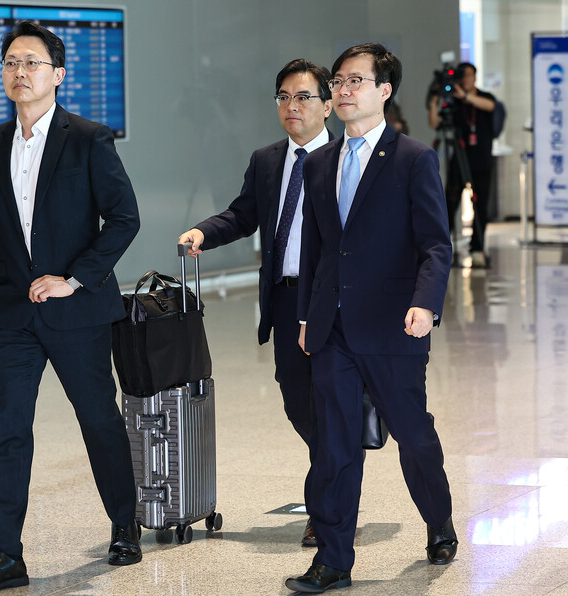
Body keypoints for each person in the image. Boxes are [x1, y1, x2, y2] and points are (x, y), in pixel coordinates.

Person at [0, 21, 142, 591]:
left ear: (58, 75)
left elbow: (124, 219)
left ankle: (125, 526)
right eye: (12, 62)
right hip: (13, 312)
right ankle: (6, 553)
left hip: (77, 310)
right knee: (10, 431)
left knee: (99, 421)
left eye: (32, 63)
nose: (21, 72)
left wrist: (74, 279)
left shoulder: (88, 138)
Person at [286, 43, 455, 593]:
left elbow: (435, 244)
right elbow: (316, 248)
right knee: (334, 445)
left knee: (413, 435)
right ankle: (334, 559)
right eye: (338, 81)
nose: (343, 90)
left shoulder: (412, 158)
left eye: (356, 81)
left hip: (393, 325)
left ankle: (439, 520)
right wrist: (309, 317)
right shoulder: (318, 162)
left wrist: (426, 303)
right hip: (333, 328)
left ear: (384, 91)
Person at [178, 58, 333, 547]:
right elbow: (243, 215)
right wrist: (204, 230)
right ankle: (340, 462)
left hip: (332, 302)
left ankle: (327, 505)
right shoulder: (267, 160)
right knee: (297, 402)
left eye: (303, 96)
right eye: (283, 96)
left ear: (328, 104)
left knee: (332, 400)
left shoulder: (348, 157)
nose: (292, 106)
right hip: (286, 301)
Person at [428, 62, 496, 268]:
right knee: (450, 203)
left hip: (481, 160)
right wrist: (434, 101)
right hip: (459, 160)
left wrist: (464, 97)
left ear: (475, 77)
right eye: (462, 76)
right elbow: (434, 123)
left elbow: (490, 106)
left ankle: (477, 249)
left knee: (480, 206)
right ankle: (442, 248)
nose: (465, 80)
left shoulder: (484, 97)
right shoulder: (454, 105)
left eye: (468, 76)